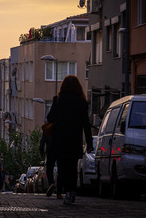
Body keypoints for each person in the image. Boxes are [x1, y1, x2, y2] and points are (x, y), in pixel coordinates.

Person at [46, 75, 93, 205]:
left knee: (62, 168)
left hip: (60, 140)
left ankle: (66, 192)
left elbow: (50, 118)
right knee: (72, 168)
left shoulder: (58, 100)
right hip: (74, 141)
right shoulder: (82, 103)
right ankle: (71, 192)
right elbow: (86, 124)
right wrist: (89, 143)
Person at [39, 132, 63, 199]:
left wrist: (41, 150)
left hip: (50, 150)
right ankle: (59, 192)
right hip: (61, 150)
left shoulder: (49, 126)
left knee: (49, 168)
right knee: (60, 171)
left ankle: (51, 183)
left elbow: (43, 139)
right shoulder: (62, 125)